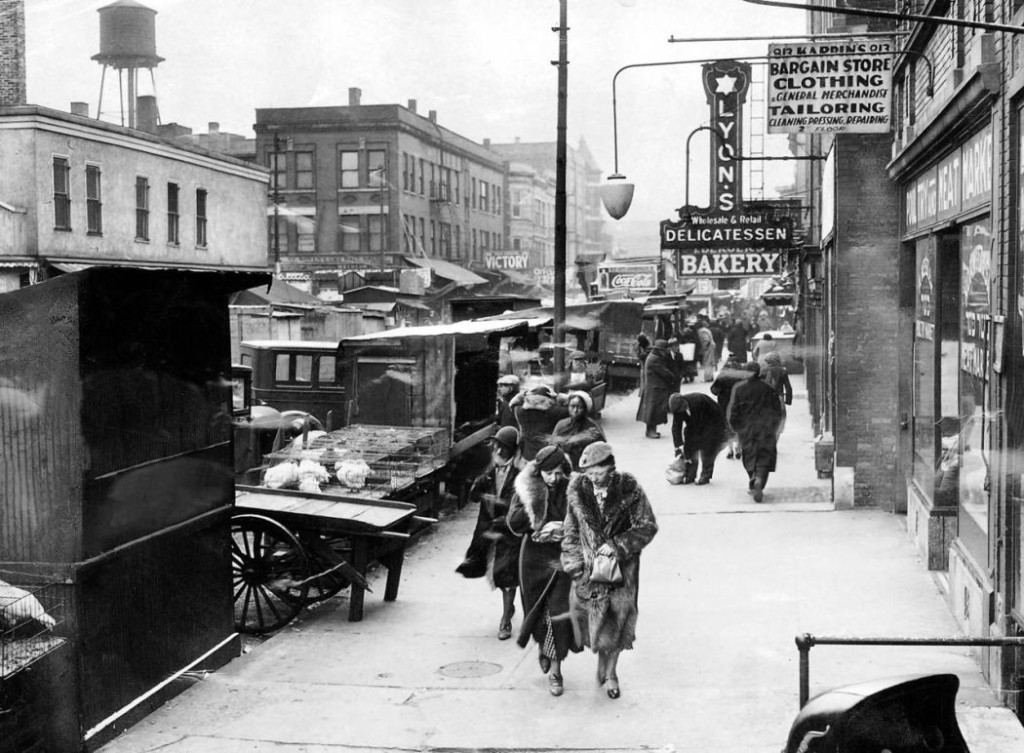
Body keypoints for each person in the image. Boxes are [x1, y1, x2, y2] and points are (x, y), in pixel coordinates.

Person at [561, 441, 658, 700]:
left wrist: (617, 546)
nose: (594, 479)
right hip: (589, 574)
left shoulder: (630, 490)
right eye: (589, 474)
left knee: (619, 621)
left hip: (622, 573)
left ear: (611, 469)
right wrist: (572, 565)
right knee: (592, 625)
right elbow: (570, 532)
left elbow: (648, 526)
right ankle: (601, 660)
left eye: (599, 473)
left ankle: (612, 673)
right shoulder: (578, 492)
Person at [506, 445, 583, 697]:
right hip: (533, 560)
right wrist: (536, 520)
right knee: (538, 614)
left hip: (562, 560)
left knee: (559, 613)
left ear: (564, 470)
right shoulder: (527, 487)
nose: (551, 478)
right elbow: (513, 524)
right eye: (546, 473)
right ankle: (544, 647)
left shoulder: (574, 488)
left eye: (556, 472)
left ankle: (556, 672)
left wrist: (565, 527)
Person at [455, 426, 522, 639]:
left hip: (509, 531)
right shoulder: (490, 470)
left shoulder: (521, 474)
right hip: (488, 529)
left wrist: (500, 505)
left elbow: (518, 505)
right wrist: (482, 482)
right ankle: (508, 607)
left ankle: (505, 621)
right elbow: (473, 496)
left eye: (503, 448)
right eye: (497, 447)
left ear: (512, 450)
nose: (499, 451)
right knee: (496, 572)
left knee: (507, 573)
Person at [726, 362, 784, 503]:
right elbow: (777, 411)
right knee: (764, 456)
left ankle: (753, 478)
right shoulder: (768, 389)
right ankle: (759, 480)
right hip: (765, 429)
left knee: (749, 456)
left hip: (746, 430)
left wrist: (736, 428)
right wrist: (774, 427)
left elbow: (733, 412)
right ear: (758, 372)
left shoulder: (739, 389)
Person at [668, 392, 728, 485]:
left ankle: (706, 475)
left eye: (681, 410)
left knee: (707, 449)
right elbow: (676, 428)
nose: (680, 412)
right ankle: (690, 475)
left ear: (684, 403)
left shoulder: (698, 401)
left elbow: (704, 424)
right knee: (689, 448)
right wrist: (678, 446)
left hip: (712, 423)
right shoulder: (678, 409)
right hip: (694, 425)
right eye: (678, 412)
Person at [550, 390, 606, 469]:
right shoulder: (561, 425)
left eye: (579, 407)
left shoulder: (592, 427)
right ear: (568, 406)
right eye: (572, 406)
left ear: (585, 409)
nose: (575, 411)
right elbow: (552, 446)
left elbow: (603, 452)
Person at [512, 384, 569, 461]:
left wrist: (523, 394)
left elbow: (513, 403)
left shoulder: (519, 411)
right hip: (547, 454)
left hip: (526, 455)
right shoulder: (555, 412)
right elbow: (572, 406)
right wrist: (559, 397)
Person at [635, 338, 676, 439]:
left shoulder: (654, 357)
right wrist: (672, 376)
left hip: (655, 388)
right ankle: (650, 431)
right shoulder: (654, 359)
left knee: (654, 411)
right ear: (659, 350)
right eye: (663, 350)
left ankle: (652, 430)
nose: (665, 353)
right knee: (652, 411)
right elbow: (664, 372)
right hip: (654, 389)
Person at [710, 358, 747, 459]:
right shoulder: (741, 376)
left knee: (727, 427)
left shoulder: (722, 376)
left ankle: (730, 450)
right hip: (738, 406)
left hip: (725, 406)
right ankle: (738, 448)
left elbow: (713, 390)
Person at [761, 351, 793, 436]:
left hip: (766, 398)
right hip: (779, 397)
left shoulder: (763, 370)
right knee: (781, 416)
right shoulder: (782, 371)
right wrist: (788, 400)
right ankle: (777, 433)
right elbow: (788, 387)